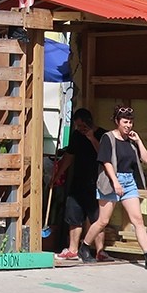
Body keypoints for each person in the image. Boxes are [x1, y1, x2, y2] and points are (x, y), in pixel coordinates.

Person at [81, 105, 147, 271]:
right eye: (125, 122)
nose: (128, 125)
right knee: (103, 221)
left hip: (129, 182)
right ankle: (84, 247)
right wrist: (115, 182)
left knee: (138, 220)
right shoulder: (108, 138)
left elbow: (146, 159)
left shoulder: (131, 141)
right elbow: (106, 161)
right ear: (117, 122)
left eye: (131, 122)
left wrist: (139, 140)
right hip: (111, 180)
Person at [52, 108, 100, 261]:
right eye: (77, 126)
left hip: (97, 181)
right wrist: (58, 175)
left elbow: (104, 154)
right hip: (78, 180)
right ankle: (73, 249)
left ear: (89, 122)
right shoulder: (76, 136)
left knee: (97, 218)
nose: (79, 129)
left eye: (81, 126)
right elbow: (69, 157)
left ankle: (100, 251)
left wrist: (91, 137)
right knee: (74, 216)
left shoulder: (102, 135)